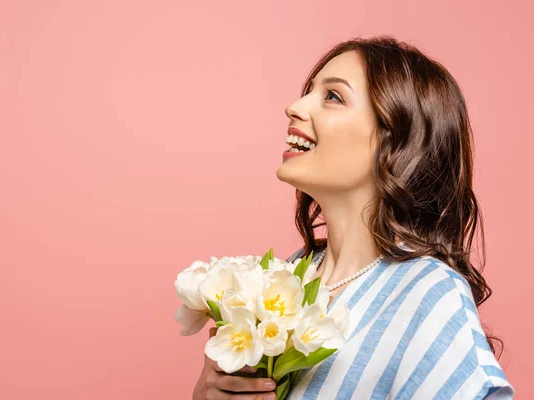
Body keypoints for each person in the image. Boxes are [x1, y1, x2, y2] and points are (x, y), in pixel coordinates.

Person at [192, 35, 515, 399]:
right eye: (310, 91)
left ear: (393, 141)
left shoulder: (429, 293)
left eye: (333, 97)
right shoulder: (282, 277)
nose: (294, 107)